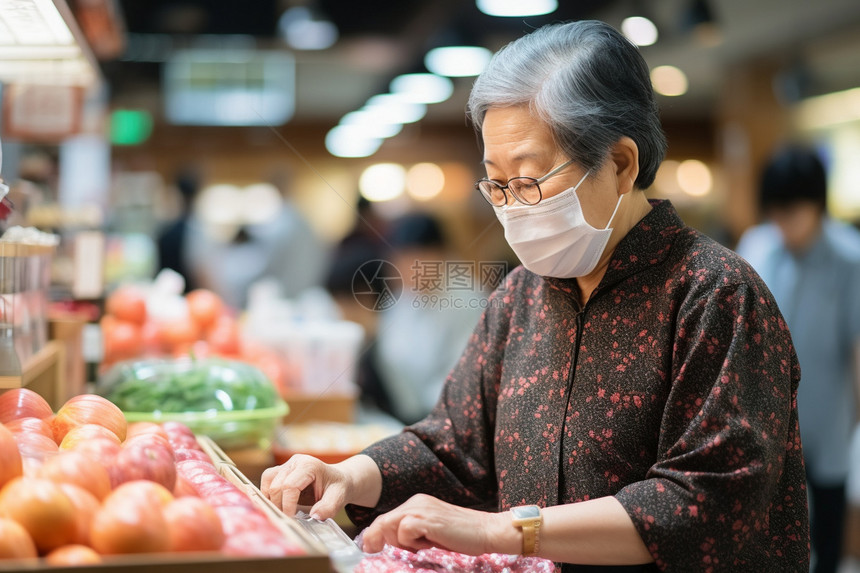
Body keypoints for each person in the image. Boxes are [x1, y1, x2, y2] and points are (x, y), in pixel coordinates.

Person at [262, 20, 809, 571]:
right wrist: (346, 474)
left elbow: (704, 504)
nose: (511, 207)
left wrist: (505, 530)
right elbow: (455, 442)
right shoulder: (521, 294)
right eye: (496, 183)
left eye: (529, 180)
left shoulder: (716, 294)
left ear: (620, 164)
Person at [735, 145, 860, 573]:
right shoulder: (757, 246)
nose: (783, 225)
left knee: (826, 535)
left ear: (819, 207)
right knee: (770, 538)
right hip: (767, 421)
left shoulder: (850, 258)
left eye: (794, 212)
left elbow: (858, 351)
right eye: (776, 213)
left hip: (829, 417)